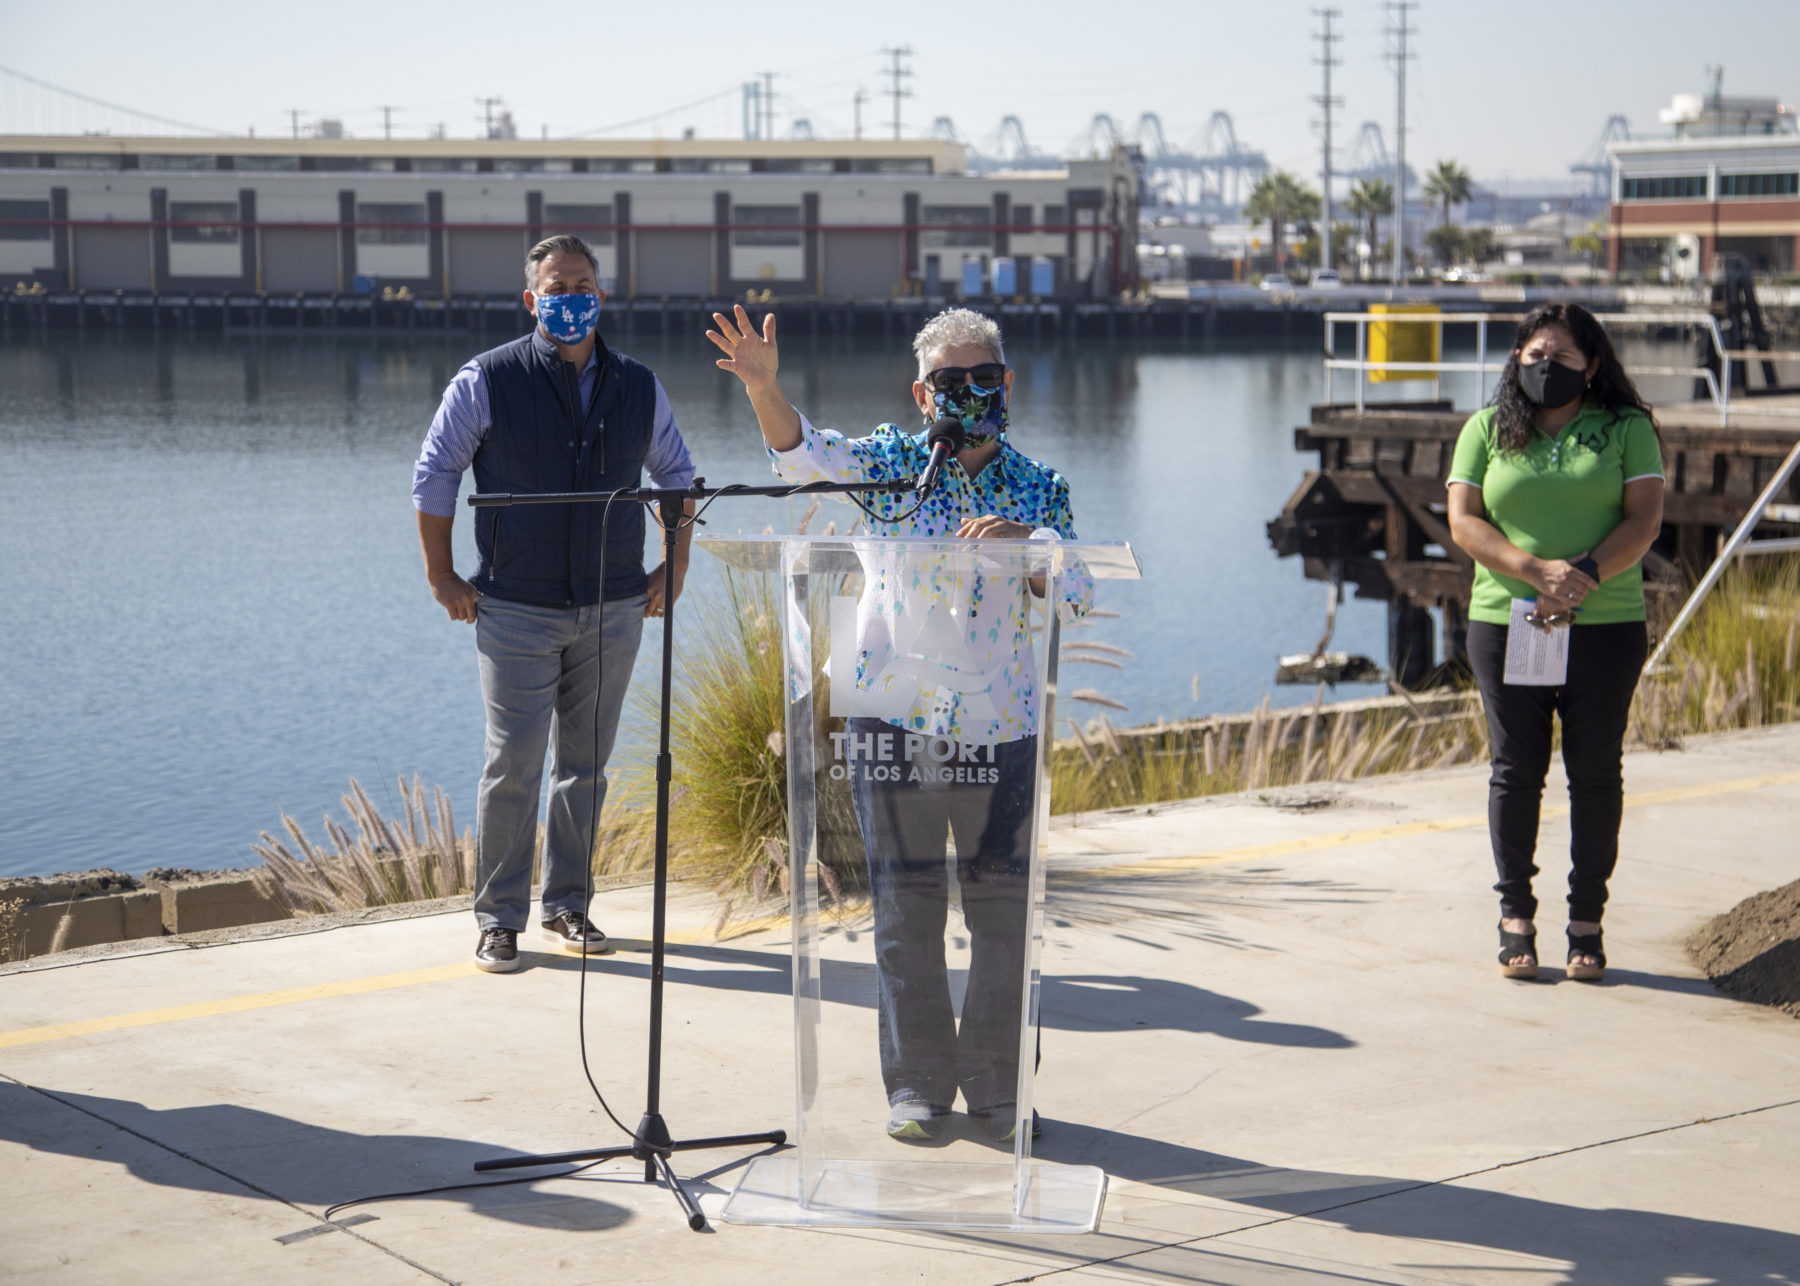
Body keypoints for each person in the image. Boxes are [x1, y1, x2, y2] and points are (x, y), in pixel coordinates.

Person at [706, 303, 1093, 1143]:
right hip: (893, 720)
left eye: (983, 379)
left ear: (1007, 383)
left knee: (999, 915)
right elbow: (805, 456)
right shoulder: (889, 467)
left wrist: (1031, 548)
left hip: (1004, 724)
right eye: (950, 383)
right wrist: (765, 389)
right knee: (905, 907)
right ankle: (916, 1087)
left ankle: (997, 1092)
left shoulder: (1041, 486)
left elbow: (1079, 592)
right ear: (922, 393)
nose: (968, 394)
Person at [413, 234, 696, 974]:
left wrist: (675, 565)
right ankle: (499, 918)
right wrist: (442, 577)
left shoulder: (638, 384)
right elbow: (435, 474)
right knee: (513, 762)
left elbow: (677, 478)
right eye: (554, 286)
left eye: (582, 283)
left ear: (601, 293)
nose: (570, 296)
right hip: (515, 608)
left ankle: (568, 905)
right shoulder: (487, 378)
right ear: (532, 299)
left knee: (587, 765)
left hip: (614, 606)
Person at [1446, 302, 1665, 983]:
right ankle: (1515, 919)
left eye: (1563, 358)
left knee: (1595, 774)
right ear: (1516, 360)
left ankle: (1586, 925)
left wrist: (1583, 577)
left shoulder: (1627, 429)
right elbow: (1463, 521)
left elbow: (1645, 520)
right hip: (1506, 622)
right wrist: (1535, 572)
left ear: (1592, 366)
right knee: (1516, 772)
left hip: (1606, 626)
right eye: (1535, 355)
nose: (1547, 367)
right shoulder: (1485, 430)